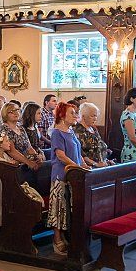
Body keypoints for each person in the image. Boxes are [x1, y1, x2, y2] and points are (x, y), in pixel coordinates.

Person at [49, 102, 87, 255]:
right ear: (62, 115)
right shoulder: (57, 133)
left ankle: (67, 236)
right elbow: (60, 155)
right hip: (61, 174)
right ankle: (56, 238)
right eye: (72, 113)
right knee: (58, 206)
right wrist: (77, 167)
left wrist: (84, 165)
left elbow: (78, 152)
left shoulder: (71, 131)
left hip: (74, 174)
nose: (75, 115)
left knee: (68, 207)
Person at [1, 103, 43, 170]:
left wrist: (36, 157)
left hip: (25, 162)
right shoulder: (4, 129)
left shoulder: (20, 128)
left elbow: (29, 147)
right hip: (12, 165)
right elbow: (12, 151)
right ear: (5, 114)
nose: (16, 113)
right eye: (12, 111)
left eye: (17, 110)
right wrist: (28, 162)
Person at [74, 103, 113, 168]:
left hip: (102, 165)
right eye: (92, 116)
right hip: (89, 167)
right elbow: (80, 154)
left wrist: (106, 160)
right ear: (83, 116)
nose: (95, 118)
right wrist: (95, 164)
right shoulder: (78, 130)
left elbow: (98, 147)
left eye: (96, 116)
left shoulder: (93, 129)